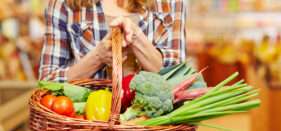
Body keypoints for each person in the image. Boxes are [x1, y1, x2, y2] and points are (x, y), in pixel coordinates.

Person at [39, 0, 186, 82]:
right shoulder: (64, 4)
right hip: (86, 129)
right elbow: (47, 81)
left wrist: (136, 38)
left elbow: (179, 78)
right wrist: (98, 57)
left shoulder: (171, 3)